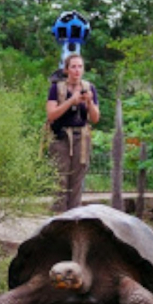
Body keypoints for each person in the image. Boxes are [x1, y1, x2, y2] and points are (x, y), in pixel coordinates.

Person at [46, 54, 100, 212]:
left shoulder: (89, 88)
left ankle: (74, 217)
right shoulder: (57, 88)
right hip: (61, 137)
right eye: (73, 67)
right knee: (60, 179)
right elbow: (51, 115)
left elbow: (95, 118)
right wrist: (71, 101)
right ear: (67, 69)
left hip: (81, 138)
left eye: (80, 67)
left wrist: (88, 102)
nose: (77, 70)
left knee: (77, 180)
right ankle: (59, 217)